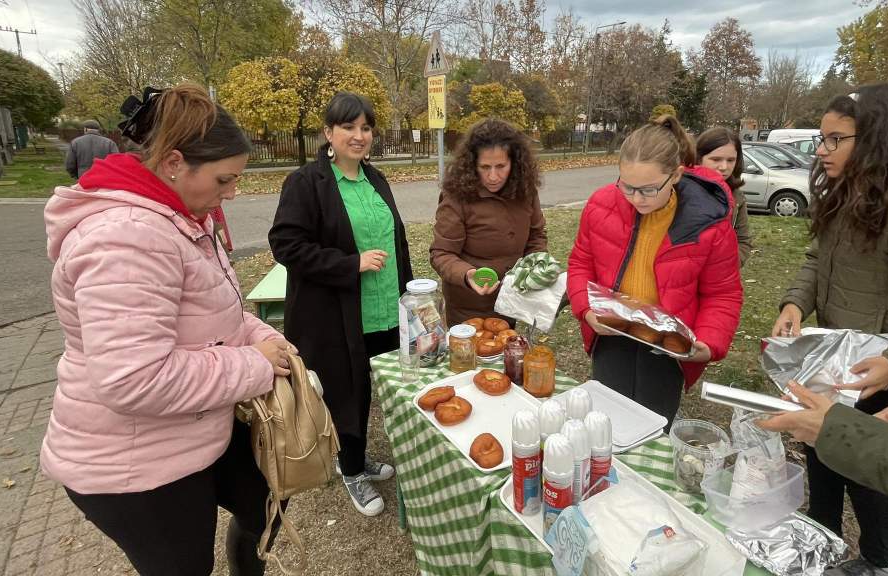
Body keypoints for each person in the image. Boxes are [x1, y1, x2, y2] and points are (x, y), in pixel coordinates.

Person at [41, 84, 295, 575]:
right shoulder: (128, 237)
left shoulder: (178, 217)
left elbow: (211, 312)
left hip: (192, 427)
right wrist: (254, 364)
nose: (232, 193)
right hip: (133, 466)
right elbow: (133, 378)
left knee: (265, 500)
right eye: (224, 180)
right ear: (175, 163)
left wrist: (260, 336)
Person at [759, 32, 888, 538]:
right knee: (823, 453)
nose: (822, 150)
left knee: (870, 471)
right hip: (834, 362)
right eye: (821, 139)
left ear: (873, 141)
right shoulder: (840, 197)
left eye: (836, 140)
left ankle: (880, 556)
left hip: (879, 375)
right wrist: (795, 302)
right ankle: (823, 538)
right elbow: (816, 259)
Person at [269, 92, 413, 517]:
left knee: (380, 387)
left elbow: (395, 241)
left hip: (386, 308)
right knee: (347, 393)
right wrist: (350, 264)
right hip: (338, 316)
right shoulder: (306, 182)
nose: (359, 135)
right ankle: (350, 468)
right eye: (348, 127)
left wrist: (410, 292)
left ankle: (359, 456)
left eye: (366, 127)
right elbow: (286, 244)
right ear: (328, 133)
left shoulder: (376, 179)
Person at [566, 115, 743, 427]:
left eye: (647, 190)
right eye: (627, 187)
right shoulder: (600, 205)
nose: (636, 199)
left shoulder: (708, 224)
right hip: (612, 334)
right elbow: (581, 263)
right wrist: (585, 309)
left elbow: (723, 294)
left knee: (653, 425)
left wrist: (708, 341)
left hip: (667, 348)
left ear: (675, 175)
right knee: (607, 423)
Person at [430, 118, 547, 325]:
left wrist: (533, 267)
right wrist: (467, 275)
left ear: (515, 162)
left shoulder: (525, 191)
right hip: (468, 308)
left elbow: (536, 236)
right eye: (485, 167)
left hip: (511, 302)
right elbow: (441, 253)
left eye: (501, 166)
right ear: (472, 165)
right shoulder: (457, 196)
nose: (493, 176)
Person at [696, 127, 753, 267]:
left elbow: (743, 241)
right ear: (699, 158)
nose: (723, 167)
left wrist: (727, 265)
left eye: (730, 160)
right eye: (716, 159)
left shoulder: (737, 196)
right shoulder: (680, 191)